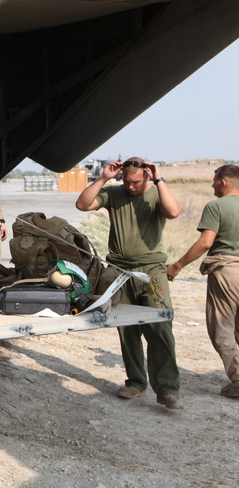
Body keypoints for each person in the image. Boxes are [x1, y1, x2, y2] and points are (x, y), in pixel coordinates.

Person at [76, 157, 183, 409]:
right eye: (126, 181)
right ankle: (136, 382)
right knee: (126, 328)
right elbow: (82, 204)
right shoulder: (114, 193)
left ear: (146, 176)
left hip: (151, 272)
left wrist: (159, 178)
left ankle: (168, 389)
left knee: (160, 326)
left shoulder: (157, 193)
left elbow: (174, 212)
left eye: (135, 182)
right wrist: (103, 178)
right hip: (120, 271)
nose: (131, 186)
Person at [167, 164, 239, 399]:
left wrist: (177, 265)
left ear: (224, 182)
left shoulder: (216, 206)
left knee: (222, 328)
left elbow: (206, 242)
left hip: (227, 272)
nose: (212, 184)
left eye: (215, 180)